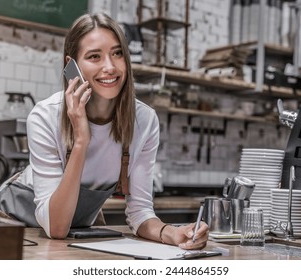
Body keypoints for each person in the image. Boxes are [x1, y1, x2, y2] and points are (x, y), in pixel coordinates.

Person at [26, 12, 209, 249]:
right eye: (94, 56)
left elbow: (141, 212)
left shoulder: (144, 121)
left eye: (117, 53)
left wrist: (171, 233)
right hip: (19, 227)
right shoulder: (45, 116)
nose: (110, 67)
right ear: (70, 66)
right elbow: (57, 228)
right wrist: (81, 139)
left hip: (72, 233)